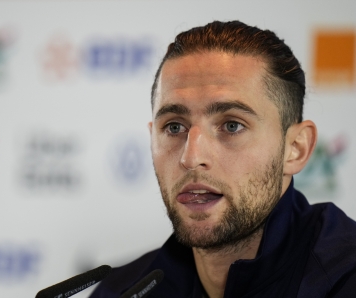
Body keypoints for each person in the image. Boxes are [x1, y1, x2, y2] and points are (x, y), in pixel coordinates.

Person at [90, 20, 356, 298]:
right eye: (174, 127)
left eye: (231, 126)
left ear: (296, 148)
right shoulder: (123, 292)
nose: (191, 158)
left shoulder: (345, 279)